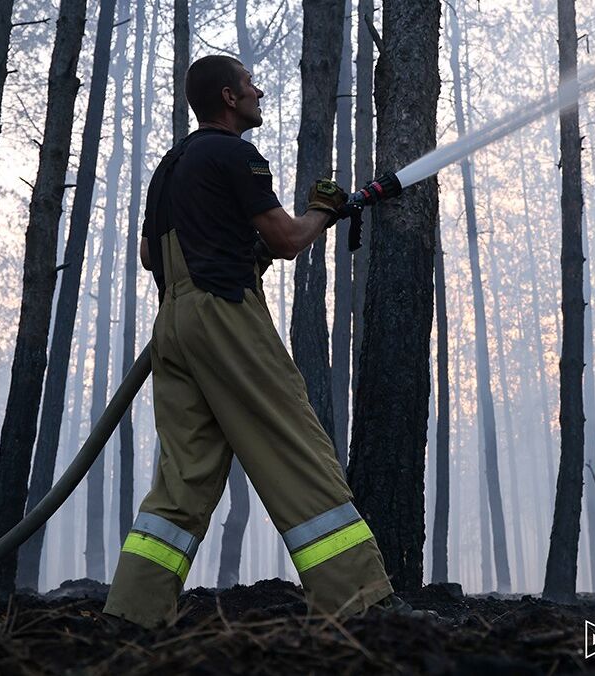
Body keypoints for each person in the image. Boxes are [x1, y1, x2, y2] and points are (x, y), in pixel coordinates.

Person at [102, 55, 395, 628]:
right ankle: (359, 600)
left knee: (184, 476)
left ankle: (132, 612)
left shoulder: (170, 166)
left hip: (174, 326)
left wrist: (232, 249)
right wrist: (322, 209)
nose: (259, 91)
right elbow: (286, 239)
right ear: (229, 98)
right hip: (225, 316)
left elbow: (149, 254)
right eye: (249, 85)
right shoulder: (236, 154)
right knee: (292, 442)